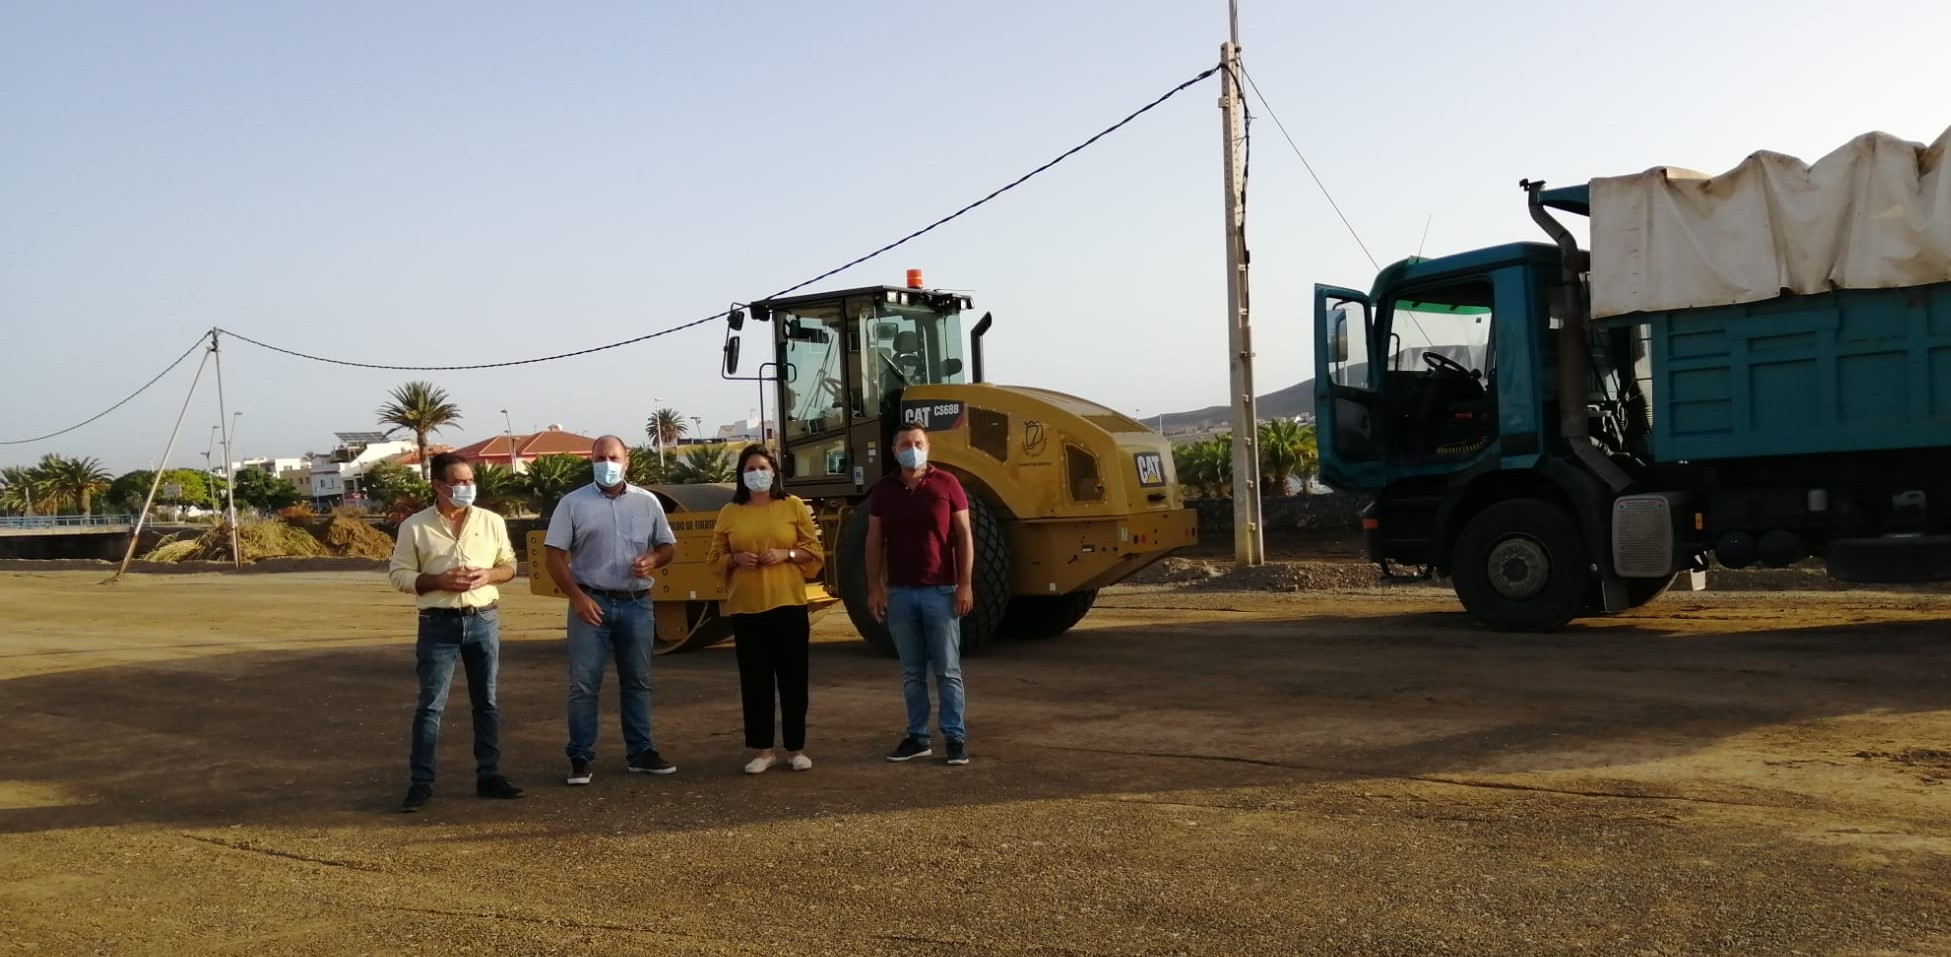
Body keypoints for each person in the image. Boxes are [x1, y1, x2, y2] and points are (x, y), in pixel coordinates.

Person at [387, 452, 523, 811]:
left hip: (483, 619)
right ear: (438, 486)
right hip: (437, 623)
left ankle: (489, 775)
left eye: (469, 481)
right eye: (459, 482)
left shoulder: (491, 521)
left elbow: (509, 564)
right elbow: (398, 574)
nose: (467, 487)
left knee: (487, 703)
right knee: (430, 706)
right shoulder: (414, 526)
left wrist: (488, 575)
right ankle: (421, 783)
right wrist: (437, 581)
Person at [543, 435, 678, 786]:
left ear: (627, 460)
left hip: (636, 604)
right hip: (591, 603)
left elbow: (667, 546)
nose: (607, 463)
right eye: (600, 457)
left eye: (613, 457)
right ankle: (580, 757)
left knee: (638, 681)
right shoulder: (573, 504)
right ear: (591, 460)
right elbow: (553, 556)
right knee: (584, 684)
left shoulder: (647, 502)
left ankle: (641, 752)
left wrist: (653, 560)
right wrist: (576, 597)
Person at [705, 445, 826, 774]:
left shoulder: (793, 506)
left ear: (773, 471)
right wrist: (735, 559)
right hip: (747, 608)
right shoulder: (730, 513)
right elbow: (714, 559)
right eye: (750, 468)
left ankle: (795, 748)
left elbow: (814, 552)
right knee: (755, 681)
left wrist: (785, 555)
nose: (756, 473)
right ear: (742, 475)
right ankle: (762, 751)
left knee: (793, 678)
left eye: (762, 466)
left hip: (788, 605)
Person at [866, 422, 974, 766]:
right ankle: (917, 737)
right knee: (912, 672)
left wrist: (965, 583)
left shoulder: (947, 484)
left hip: (940, 592)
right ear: (894, 451)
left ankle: (954, 738)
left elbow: (964, 536)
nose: (912, 448)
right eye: (905, 444)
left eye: (918, 443)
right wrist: (875, 587)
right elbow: (873, 541)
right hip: (900, 594)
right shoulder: (883, 490)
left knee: (947, 670)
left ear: (928, 447)